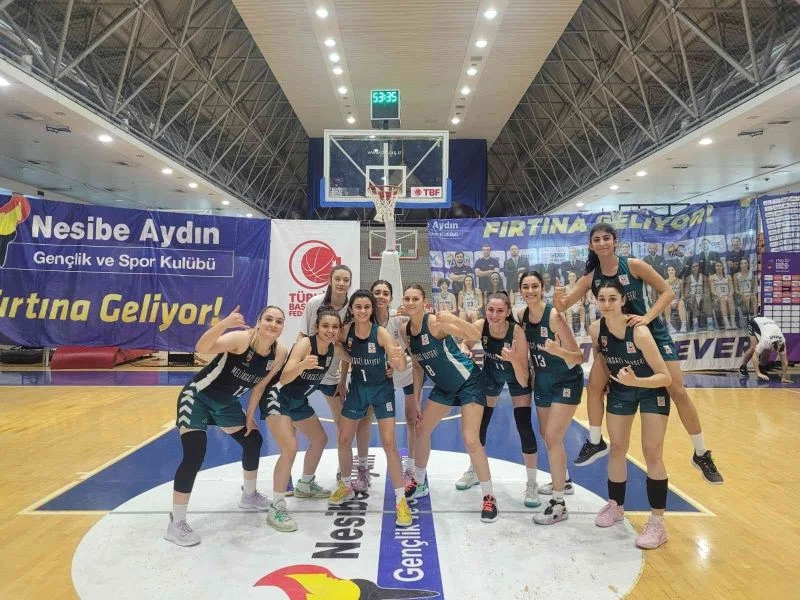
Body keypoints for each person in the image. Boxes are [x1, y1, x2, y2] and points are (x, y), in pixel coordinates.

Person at [555, 223, 723, 484]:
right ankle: (596, 441)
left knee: (677, 390)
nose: (602, 243)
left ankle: (701, 453)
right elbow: (563, 305)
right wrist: (558, 298)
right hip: (615, 338)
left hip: (649, 333)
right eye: (597, 239)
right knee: (595, 387)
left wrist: (647, 317)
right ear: (591, 245)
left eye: (606, 238)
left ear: (615, 241)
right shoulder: (591, 277)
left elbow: (668, 292)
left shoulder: (633, 265)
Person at [165, 305, 287, 546]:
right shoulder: (241, 339)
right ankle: (176, 523)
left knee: (253, 439)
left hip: (226, 405)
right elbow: (201, 348)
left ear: (282, 327)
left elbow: (259, 386)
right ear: (259, 322)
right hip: (198, 398)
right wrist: (224, 324)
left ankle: (249, 496)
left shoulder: (279, 352)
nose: (273, 324)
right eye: (269, 319)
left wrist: (249, 416)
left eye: (279, 321)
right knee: (194, 454)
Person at [401, 285, 499, 523]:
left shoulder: (436, 323)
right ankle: (420, 482)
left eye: (415, 298)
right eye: (407, 299)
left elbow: (475, 336)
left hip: (469, 382)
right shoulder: (405, 330)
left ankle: (489, 497)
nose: (411, 302)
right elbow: (417, 366)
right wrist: (416, 399)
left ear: (424, 302)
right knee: (421, 429)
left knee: (471, 440)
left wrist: (453, 319)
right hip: (444, 387)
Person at [590, 280, 672, 550]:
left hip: (651, 389)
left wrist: (637, 381)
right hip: (621, 390)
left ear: (623, 300)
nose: (607, 304)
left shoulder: (640, 333)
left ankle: (658, 523)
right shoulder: (596, 330)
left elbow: (666, 376)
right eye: (602, 299)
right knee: (617, 448)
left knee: (652, 452)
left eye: (612, 299)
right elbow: (603, 360)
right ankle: (616, 506)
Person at [252, 307, 346, 532]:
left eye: (335, 327)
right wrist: (303, 365)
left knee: (320, 439)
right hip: (277, 397)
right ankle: (276, 507)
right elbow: (285, 377)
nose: (330, 330)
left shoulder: (334, 348)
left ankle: (305, 484)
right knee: (290, 448)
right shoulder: (305, 344)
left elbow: (356, 357)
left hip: (298, 401)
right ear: (316, 327)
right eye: (325, 326)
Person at [328, 290, 413, 527]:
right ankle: (346, 485)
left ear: (372, 309)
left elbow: (400, 365)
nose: (363, 311)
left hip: (381, 390)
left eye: (367, 307)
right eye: (358, 307)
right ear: (352, 309)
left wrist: (397, 358)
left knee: (389, 444)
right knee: (344, 439)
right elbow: (340, 349)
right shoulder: (345, 330)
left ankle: (401, 501)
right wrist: (345, 368)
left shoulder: (381, 333)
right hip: (357, 389)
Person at [516, 272, 584, 525]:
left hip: (566, 381)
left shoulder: (554, 316)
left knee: (553, 437)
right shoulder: (522, 316)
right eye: (526, 287)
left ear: (542, 288)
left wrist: (558, 351)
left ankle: (558, 504)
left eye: (535, 286)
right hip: (542, 381)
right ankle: (564, 481)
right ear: (520, 290)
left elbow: (578, 356)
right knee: (547, 435)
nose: (530, 291)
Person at [456, 292, 536, 507]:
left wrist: (514, 359)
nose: (494, 314)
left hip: (517, 376)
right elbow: (464, 343)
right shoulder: (481, 325)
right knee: (480, 426)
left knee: (524, 426)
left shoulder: (517, 332)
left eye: (500, 311)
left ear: (508, 312)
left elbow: (524, 378)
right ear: (485, 310)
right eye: (491, 310)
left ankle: (532, 484)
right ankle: (474, 470)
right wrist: (466, 350)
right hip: (491, 375)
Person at [300, 264, 371, 493]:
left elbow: (346, 347)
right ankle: (297, 479)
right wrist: (300, 364)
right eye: (337, 278)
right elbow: (303, 336)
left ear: (350, 283)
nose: (341, 283)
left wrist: (342, 380)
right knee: (289, 421)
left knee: (343, 426)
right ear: (330, 280)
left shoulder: (352, 310)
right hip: (307, 372)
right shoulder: (314, 303)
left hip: (331, 376)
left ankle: (344, 472)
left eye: (345, 280)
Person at [371, 280, 424, 481]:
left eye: (385, 293)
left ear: (391, 298)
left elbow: (423, 317)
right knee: (379, 422)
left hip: (406, 371)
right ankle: (362, 467)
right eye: (377, 292)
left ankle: (411, 464)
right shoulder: (366, 318)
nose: (381, 296)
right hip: (382, 376)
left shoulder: (399, 317)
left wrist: (410, 311)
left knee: (412, 418)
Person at [739, 317, 791, 383]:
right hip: (755, 323)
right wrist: (758, 373)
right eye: (777, 352)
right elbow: (755, 356)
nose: (778, 354)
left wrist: (783, 378)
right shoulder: (765, 341)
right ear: (773, 346)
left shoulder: (782, 341)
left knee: (767, 349)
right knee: (753, 347)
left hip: (768, 325)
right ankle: (743, 367)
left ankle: (761, 366)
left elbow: (785, 361)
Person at [684, 262, 712, 331]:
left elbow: (707, 291)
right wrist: (692, 296)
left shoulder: (703, 277)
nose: (695, 268)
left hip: (702, 298)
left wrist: (705, 295)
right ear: (691, 268)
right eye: (694, 267)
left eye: (697, 266)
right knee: (693, 299)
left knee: (707, 298)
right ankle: (695, 324)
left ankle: (710, 323)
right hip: (691, 298)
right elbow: (686, 294)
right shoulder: (688, 278)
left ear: (699, 268)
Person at [709, 261, 735, 330]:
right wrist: (719, 295)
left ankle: (733, 322)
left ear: (723, 267)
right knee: (723, 300)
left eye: (720, 266)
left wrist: (730, 294)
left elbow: (732, 289)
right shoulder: (712, 277)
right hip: (717, 297)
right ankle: (726, 323)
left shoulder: (728, 277)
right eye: (717, 266)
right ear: (715, 267)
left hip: (727, 296)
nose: (718, 267)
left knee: (730, 299)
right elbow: (712, 291)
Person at [662, 265, 687, 334]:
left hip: (677, 301)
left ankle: (684, 325)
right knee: (666, 304)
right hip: (669, 301)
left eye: (672, 270)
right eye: (669, 270)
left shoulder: (680, 281)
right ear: (667, 272)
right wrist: (670, 301)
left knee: (681, 303)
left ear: (675, 271)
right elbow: (664, 295)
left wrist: (678, 300)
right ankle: (669, 325)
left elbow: (682, 295)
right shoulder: (665, 282)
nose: (671, 271)